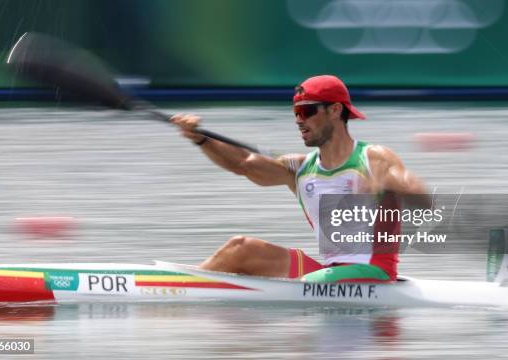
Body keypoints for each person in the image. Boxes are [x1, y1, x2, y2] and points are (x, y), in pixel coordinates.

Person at [171, 75, 427, 283]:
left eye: (307, 111)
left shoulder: (373, 158)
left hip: (374, 273)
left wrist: (392, 185)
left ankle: (178, 288)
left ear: (335, 110)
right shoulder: (300, 168)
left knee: (308, 286)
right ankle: (182, 285)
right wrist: (200, 139)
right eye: (295, 112)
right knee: (240, 248)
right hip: (328, 271)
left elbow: (424, 202)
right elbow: (242, 163)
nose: (298, 120)